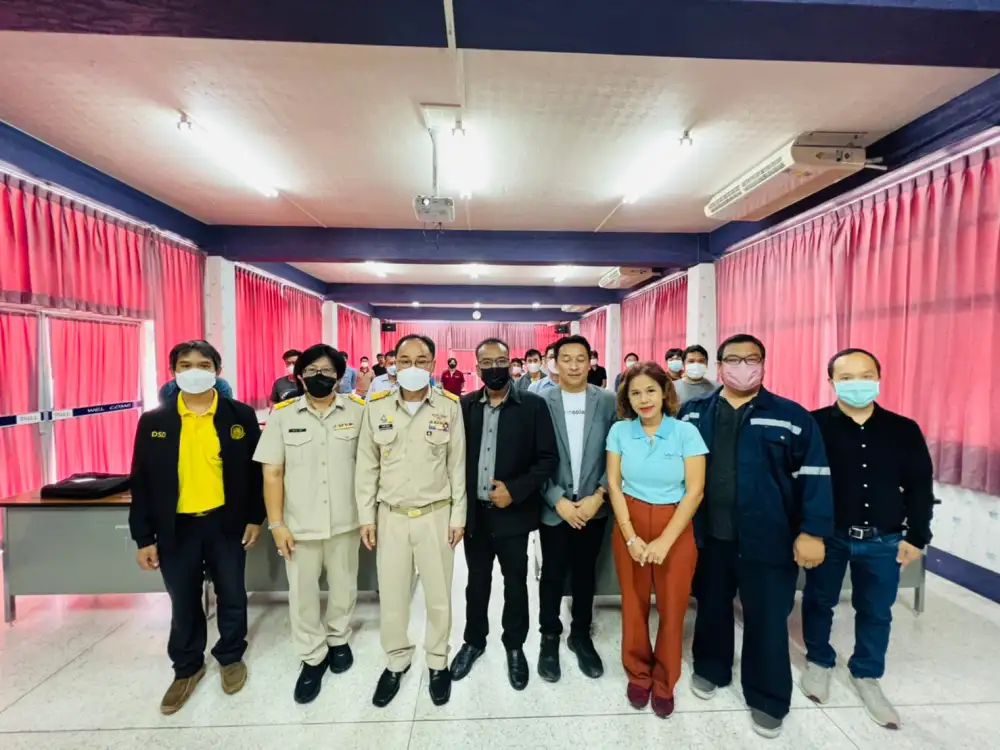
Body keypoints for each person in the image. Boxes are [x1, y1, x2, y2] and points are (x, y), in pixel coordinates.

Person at [678, 333, 832, 739]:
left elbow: (815, 476)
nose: (742, 367)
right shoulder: (693, 413)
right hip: (710, 536)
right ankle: (711, 668)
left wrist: (813, 531)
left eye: (752, 359)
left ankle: (767, 696)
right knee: (711, 606)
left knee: (766, 618)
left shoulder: (790, 416)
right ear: (719, 367)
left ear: (763, 364)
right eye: (733, 359)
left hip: (769, 539)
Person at [800, 348, 934, 729]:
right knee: (819, 600)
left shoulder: (903, 429)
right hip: (830, 536)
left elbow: (920, 486)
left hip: (884, 538)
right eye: (846, 377)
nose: (856, 383)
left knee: (876, 610)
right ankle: (819, 661)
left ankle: (867, 673)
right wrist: (806, 531)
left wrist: (917, 536)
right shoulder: (814, 425)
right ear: (831, 382)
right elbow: (802, 483)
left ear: (878, 378)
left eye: (865, 375)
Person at [129, 340, 264, 715]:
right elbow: (141, 481)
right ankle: (187, 666)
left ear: (217, 371)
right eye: (185, 365)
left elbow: (256, 472)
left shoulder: (239, 416)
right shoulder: (155, 421)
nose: (194, 372)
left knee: (232, 593)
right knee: (184, 599)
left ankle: (231, 656)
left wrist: (255, 517)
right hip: (176, 528)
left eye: (203, 365)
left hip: (225, 523)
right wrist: (143, 537)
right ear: (173, 372)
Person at [355, 334, 466, 708]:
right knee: (393, 596)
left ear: (433, 365)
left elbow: (457, 465)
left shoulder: (448, 406)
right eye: (404, 361)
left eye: (421, 360)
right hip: (391, 516)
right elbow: (367, 466)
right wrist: (366, 517)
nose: (412, 367)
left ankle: (437, 660)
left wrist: (458, 516)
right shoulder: (377, 407)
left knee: (439, 596)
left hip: (436, 515)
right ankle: (396, 659)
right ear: (393, 364)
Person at [254, 344, 366, 704]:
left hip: (346, 520)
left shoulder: (358, 412)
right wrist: (276, 524)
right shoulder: (283, 415)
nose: (321, 376)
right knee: (302, 593)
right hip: (298, 525)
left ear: (339, 376)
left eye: (328, 371)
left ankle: (338, 638)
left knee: (344, 586)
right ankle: (312, 655)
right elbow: (272, 473)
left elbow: (370, 466)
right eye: (313, 370)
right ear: (300, 376)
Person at [451, 338, 559, 691]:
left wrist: (514, 489)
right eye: (487, 362)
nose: (494, 368)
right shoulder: (464, 407)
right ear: (477, 367)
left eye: (501, 361)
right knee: (476, 583)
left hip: (513, 514)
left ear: (512, 364)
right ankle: (473, 641)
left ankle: (514, 645)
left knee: (515, 583)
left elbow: (547, 459)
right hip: (476, 516)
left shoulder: (533, 406)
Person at [606, 362, 707, 718]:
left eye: (650, 390)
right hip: (630, 520)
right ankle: (638, 673)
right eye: (635, 393)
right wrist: (630, 536)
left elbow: (694, 492)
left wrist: (665, 541)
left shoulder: (685, 433)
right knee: (633, 603)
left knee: (672, 606)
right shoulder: (620, 431)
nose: (644, 399)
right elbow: (614, 484)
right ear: (627, 398)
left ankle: (665, 680)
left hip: (674, 523)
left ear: (665, 392)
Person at [537, 335, 617, 683]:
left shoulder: (608, 401)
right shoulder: (540, 401)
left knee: (586, 572)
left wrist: (600, 494)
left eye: (580, 358)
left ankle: (580, 634)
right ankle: (549, 634)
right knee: (552, 573)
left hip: (593, 506)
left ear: (590, 362)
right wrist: (556, 498)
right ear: (555, 363)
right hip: (554, 506)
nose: (573, 365)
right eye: (565, 358)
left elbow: (618, 451)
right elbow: (531, 456)